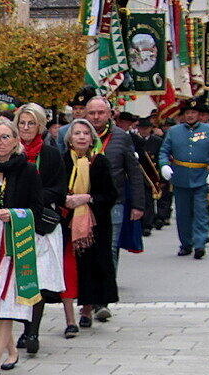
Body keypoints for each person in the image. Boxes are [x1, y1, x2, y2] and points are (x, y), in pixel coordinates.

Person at [0, 117, 42, 375]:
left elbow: (37, 209)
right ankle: (12, 350)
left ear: (16, 140)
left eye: (5, 137)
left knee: (4, 302)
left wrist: (15, 214)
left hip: (14, 241)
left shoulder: (27, 170)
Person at [13, 104, 66, 354]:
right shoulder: (8, 150)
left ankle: (31, 330)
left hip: (40, 225)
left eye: (31, 123)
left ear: (40, 126)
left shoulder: (51, 154)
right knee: (16, 279)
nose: (25, 128)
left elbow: (59, 190)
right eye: (22, 123)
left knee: (38, 279)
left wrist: (32, 197)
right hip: (13, 223)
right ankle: (21, 325)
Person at [59, 119, 118, 335]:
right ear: (70, 139)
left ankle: (87, 309)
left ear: (92, 138)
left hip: (94, 225)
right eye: (77, 133)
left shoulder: (99, 162)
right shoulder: (62, 160)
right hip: (66, 223)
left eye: (86, 133)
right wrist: (65, 200)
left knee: (91, 267)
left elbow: (110, 195)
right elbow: (53, 188)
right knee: (69, 269)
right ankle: (70, 319)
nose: (82, 137)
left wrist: (86, 198)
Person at [84, 96, 144, 291]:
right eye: (92, 113)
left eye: (101, 112)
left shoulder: (121, 136)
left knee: (110, 247)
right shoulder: (78, 134)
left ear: (110, 114)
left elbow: (133, 171)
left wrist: (138, 204)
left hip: (114, 201)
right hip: (84, 202)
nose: (96, 117)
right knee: (87, 247)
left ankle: (105, 291)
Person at [158, 99, 209, 260]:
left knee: (201, 212)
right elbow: (164, 151)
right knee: (183, 214)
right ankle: (186, 244)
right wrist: (164, 165)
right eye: (187, 112)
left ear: (199, 114)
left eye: (193, 112)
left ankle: (200, 244)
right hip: (180, 177)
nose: (190, 115)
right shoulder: (174, 131)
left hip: (201, 177)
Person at [56, 88, 95, 154]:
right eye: (75, 108)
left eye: (81, 108)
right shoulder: (62, 131)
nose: (77, 111)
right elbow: (60, 154)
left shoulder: (94, 127)